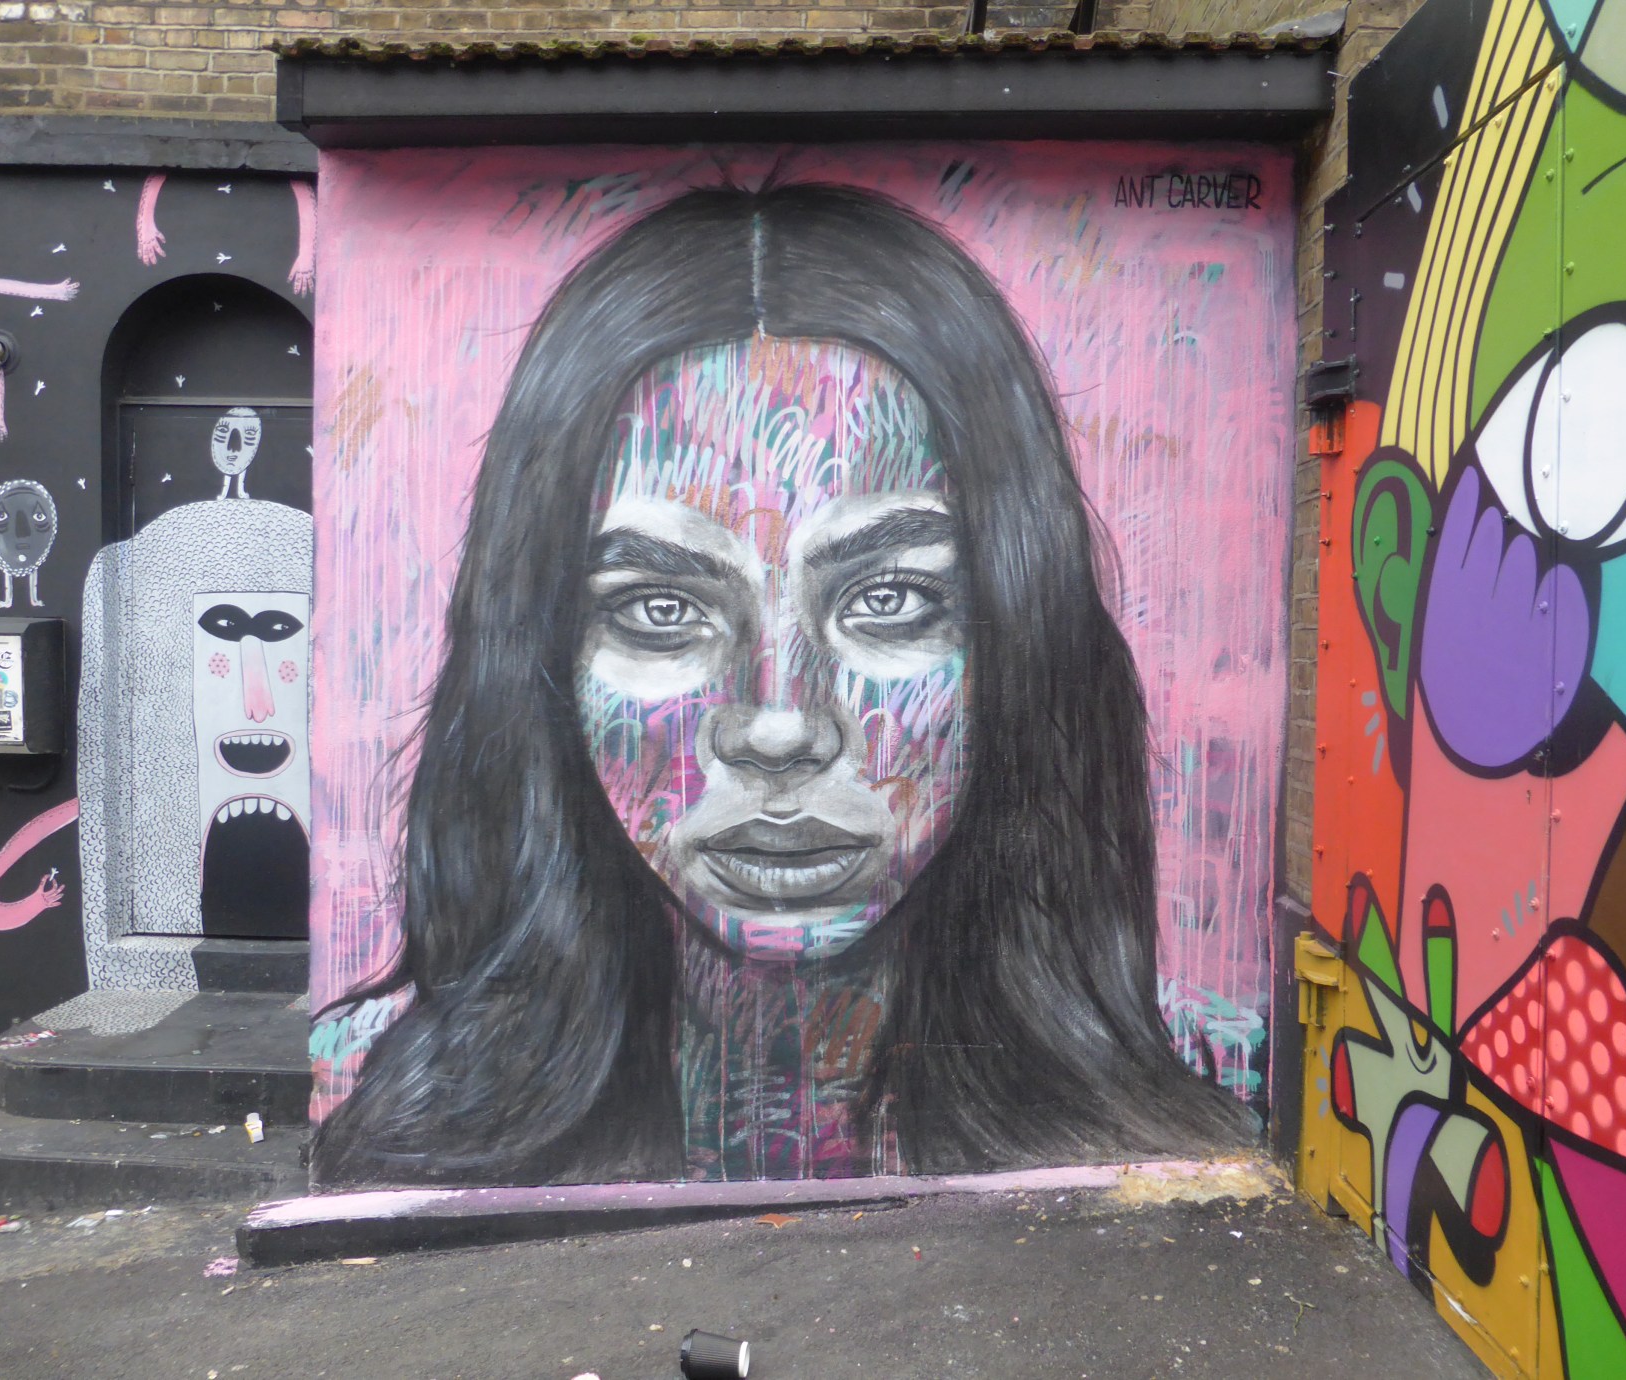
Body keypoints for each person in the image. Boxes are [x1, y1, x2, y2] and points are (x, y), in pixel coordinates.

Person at [313, 183, 1250, 1188]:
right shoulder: (372, 1076)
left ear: (1021, 643)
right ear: (540, 663)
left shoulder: (1220, 1071)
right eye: (660, 609)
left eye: (889, 598)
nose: (777, 725)